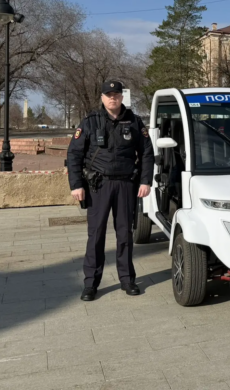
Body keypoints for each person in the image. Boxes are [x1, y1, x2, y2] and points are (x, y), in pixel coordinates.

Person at [67, 80, 154, 301]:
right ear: (102, 97)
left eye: (116, 94)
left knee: (125, 233)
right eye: (108, 94)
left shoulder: (134, 121)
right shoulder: (90, 121)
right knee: (95, 234)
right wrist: (76, 185)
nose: (112, 98)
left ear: (122, 97)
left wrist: (146, 181)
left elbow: (146, 153)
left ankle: (127, 279)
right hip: (98, 185)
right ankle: (91, 284)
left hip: (126, 184)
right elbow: (74, 154)